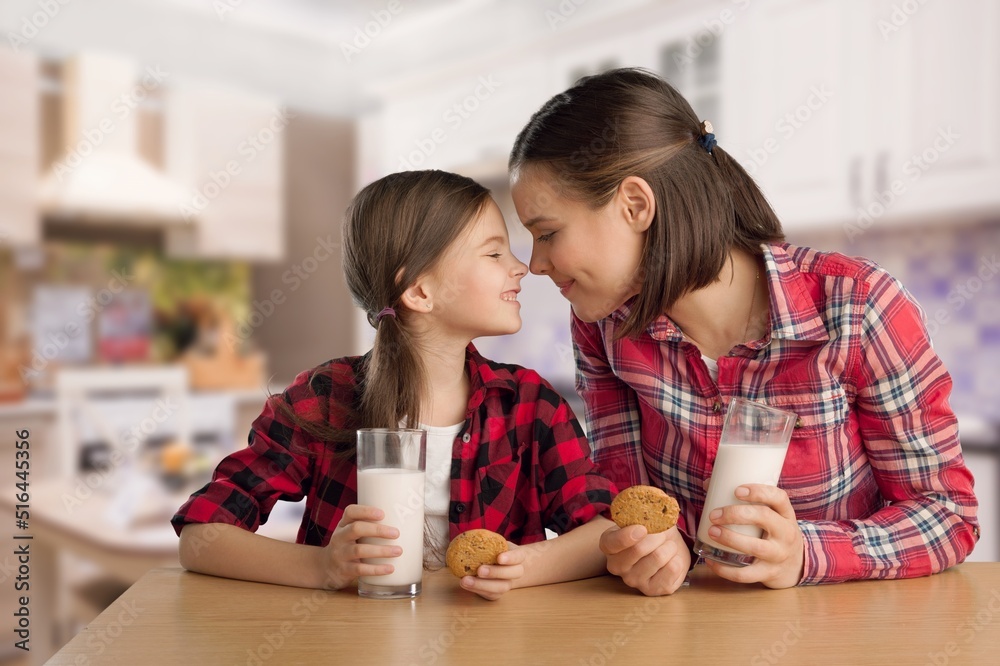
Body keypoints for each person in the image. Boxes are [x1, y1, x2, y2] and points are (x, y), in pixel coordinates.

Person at [508, 68, 979, 594]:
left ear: (635, 205)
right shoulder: (605, 327)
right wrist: (650, 549)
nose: (535, 264)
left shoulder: (858, 307)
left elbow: (947, 517)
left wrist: (806, 553)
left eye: (547, 233)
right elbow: (628, 504)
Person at [173, 170, 616, 601]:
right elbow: (201, 537)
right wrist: (321, 567)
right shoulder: (326, 398)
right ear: (420, 292)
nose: (522, 267)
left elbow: (605, 530)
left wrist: (524, 568)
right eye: (494, 253)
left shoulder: (530, 404)